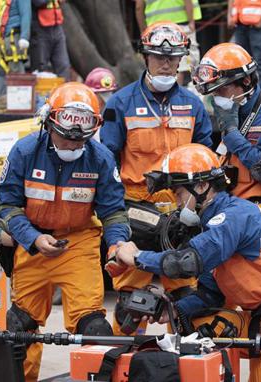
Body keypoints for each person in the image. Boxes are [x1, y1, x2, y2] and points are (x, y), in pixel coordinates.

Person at [114, 143, 261, 381]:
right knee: (188, 322)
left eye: (179, 193)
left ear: (202, 186)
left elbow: (186, 263)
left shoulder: (234, 216)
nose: (176, 202)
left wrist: (137, 257)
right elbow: (210, 295)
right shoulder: (212, 224)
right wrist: (174, 309)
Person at [0, 82, 130, 382]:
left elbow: (113, 211)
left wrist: (118, 243)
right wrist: (32, 238)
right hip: (32, 241)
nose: (71, 146)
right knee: (19, 326)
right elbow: (6, 207)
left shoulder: (101, 158)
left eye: (79, 142)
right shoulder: (25, 151)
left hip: (78, 242)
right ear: (48, 123)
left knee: (94, 327)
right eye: (64, 139)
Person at [99, 21, 212, 335]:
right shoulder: (120, 103)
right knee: (130, 307)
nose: (166, 63)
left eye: (173, 57)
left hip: (179, 211)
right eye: (158, 56)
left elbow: (205, 158)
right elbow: (106, 161)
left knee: (188, 300)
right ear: (144, 57)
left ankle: (183, 364)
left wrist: (196, 208)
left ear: (181, 60)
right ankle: (119, 367)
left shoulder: (193, 105)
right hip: (136, 208)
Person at [192, 42, 261, 230]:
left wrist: (234, 138)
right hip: (226, 212)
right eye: (213, 92)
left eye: (222, 89)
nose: (217, 97)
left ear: (246, 81)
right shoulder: (228, 112)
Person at [135, 0, 201, 85]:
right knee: (178, 63)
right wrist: (191, 22)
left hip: (154, 28)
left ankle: (158, 92)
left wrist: (143, 30)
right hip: (180, 24)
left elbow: (139, 7)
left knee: (157, 62)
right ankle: (174, 95)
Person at [0, 0, 31, 99]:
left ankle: (19, 104)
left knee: (16, 72)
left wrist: (24, 36)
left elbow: (26, 14)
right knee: (2, 73)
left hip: (13, 38)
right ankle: (3, 102)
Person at [228, 0, 261, 93]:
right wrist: (230, 15)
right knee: (242, 63)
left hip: (257, 23)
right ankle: (246, 94)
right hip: (240, 22)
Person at [30, 0, 70, 80]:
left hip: (57, 26)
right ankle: (40, 92)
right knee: (40, 68)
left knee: (63, 65)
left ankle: (63, 91)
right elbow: (39, 2)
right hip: (40, 29)